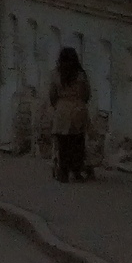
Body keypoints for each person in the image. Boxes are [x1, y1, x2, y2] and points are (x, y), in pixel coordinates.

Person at [49, 46, 92, 182]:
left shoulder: (56, 74)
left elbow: (52, 94)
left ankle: (63, 172)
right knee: (78, 142)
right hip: (78, 110)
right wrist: (80, 103)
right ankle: (77, 171)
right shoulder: (81, 75)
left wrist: (57, 105)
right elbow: (86, 94)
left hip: (62, 111)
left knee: (63, 143)